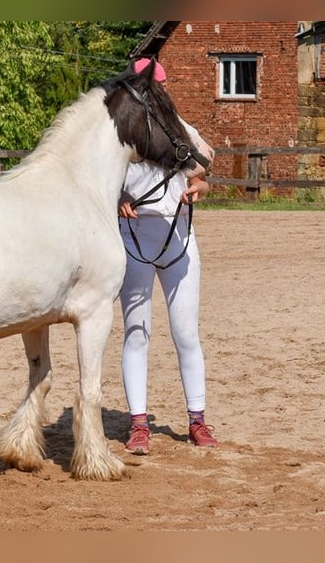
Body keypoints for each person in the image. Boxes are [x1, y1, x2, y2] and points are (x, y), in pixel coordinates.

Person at [118, 58, 218, 454]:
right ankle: (139, 424)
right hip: (135, 239)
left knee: (185, 334)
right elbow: (101, 183)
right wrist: (119, 197)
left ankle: (198, 421)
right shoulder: (122, 134)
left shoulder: (179, 129)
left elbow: (200, 174)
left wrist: (202, 189)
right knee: (136, 333)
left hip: (179, 238)